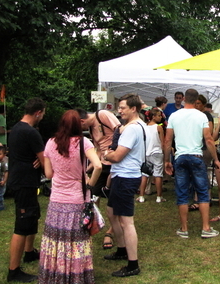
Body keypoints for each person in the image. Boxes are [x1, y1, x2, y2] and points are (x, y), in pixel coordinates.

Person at [40, 110, 102, 283]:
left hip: (56, 200)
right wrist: (90, 184)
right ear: (78, 125)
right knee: (76, 242)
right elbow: (97, 165)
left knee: (56, 240)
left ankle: (55, 275)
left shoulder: (51, 143)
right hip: (77, 199)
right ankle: (76, 276)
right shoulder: (83, 143)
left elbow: (48, 173)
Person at [164, 88, 220, 239]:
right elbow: (209, 139)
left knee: (182, 193)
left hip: (181, 157)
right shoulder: (202, 116)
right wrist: (215, 159)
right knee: (202, 192)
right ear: (196, 100)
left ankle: (184, 229)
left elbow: (167, 140)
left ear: (183, 99)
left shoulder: (174, 116)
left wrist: (166, 161)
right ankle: (206, 228)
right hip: (197, 156)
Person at [102, 93, 145, 277]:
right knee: (112, 212)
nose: (119, 111)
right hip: (123, 175)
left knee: (127, 221)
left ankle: (133, 264)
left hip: (126, 176)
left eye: (122, 108)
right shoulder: (137, 125)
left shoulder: (131, 129)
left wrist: (106, 155)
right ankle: (121, 250)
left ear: (133, 109)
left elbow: (117, 156)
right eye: (119, 108)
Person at [6, 97, 46, 283]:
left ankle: (29, 252)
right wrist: (43, 161)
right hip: (24, 182)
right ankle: (13, 270)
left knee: (32, 215)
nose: (43, 117)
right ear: (38, 112)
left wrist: (39, 159)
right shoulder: (31, 133)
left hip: (23, 179)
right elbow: (45, 159)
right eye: (43, 114)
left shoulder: (15, 128)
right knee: (22, 224)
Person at [76, 108, 121, 251]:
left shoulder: (102, 115)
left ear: (82, 121)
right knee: (93, 196)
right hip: (102, 164)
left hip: (115, 163)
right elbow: (98, 148)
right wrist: (90, 167)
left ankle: (111, 232)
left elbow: (120, 130)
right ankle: (92, 224)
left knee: (113, 200)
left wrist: (113, 151)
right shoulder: (90, 128)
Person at [136, 108, 166, 203]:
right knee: (158, 175)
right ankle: (159, 196)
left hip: (146, 153)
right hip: (157, 152)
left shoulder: (145, 127)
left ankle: (141, 196)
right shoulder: (158, 127)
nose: (160, 117)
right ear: (153, 117)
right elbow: (163, 141)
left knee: (145, 174)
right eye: (158, 115)